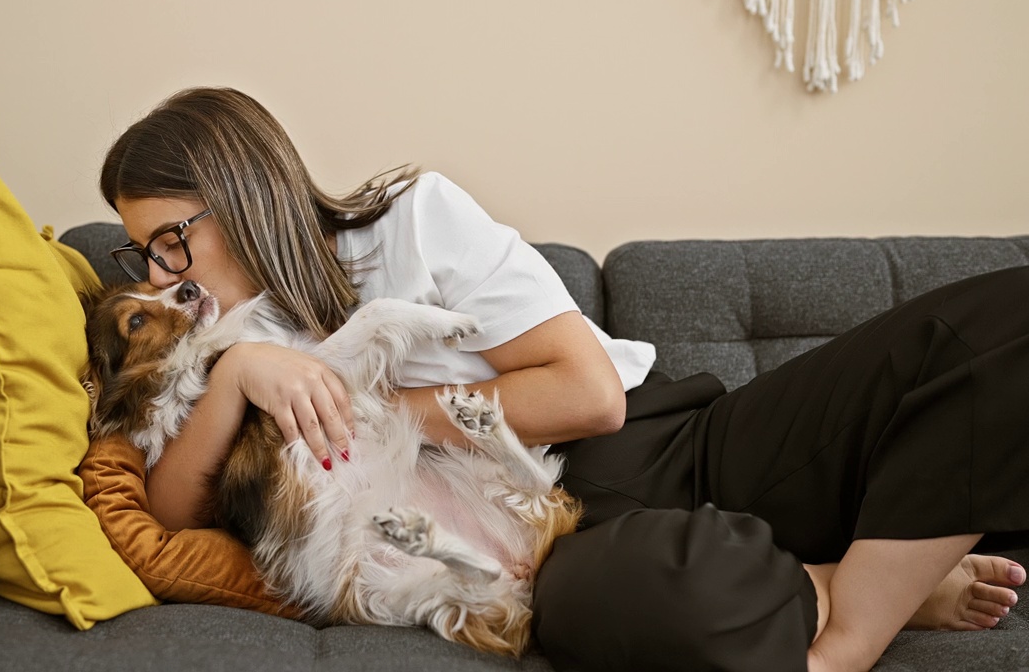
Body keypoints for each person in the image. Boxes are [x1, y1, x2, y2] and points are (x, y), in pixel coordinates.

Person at [97, 86, 1029, 672]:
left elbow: (588, 397)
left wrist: (375, 412)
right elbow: (171, 519)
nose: (161, 272)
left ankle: (854, 612)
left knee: (996, 325)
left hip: (665, 451)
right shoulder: (212, 348)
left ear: (247, 190)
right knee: (620, 609)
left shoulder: (410, 222)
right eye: (143, 252)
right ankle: (864, 595)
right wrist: (241, 375)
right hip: (556, 555)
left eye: (174, 236)